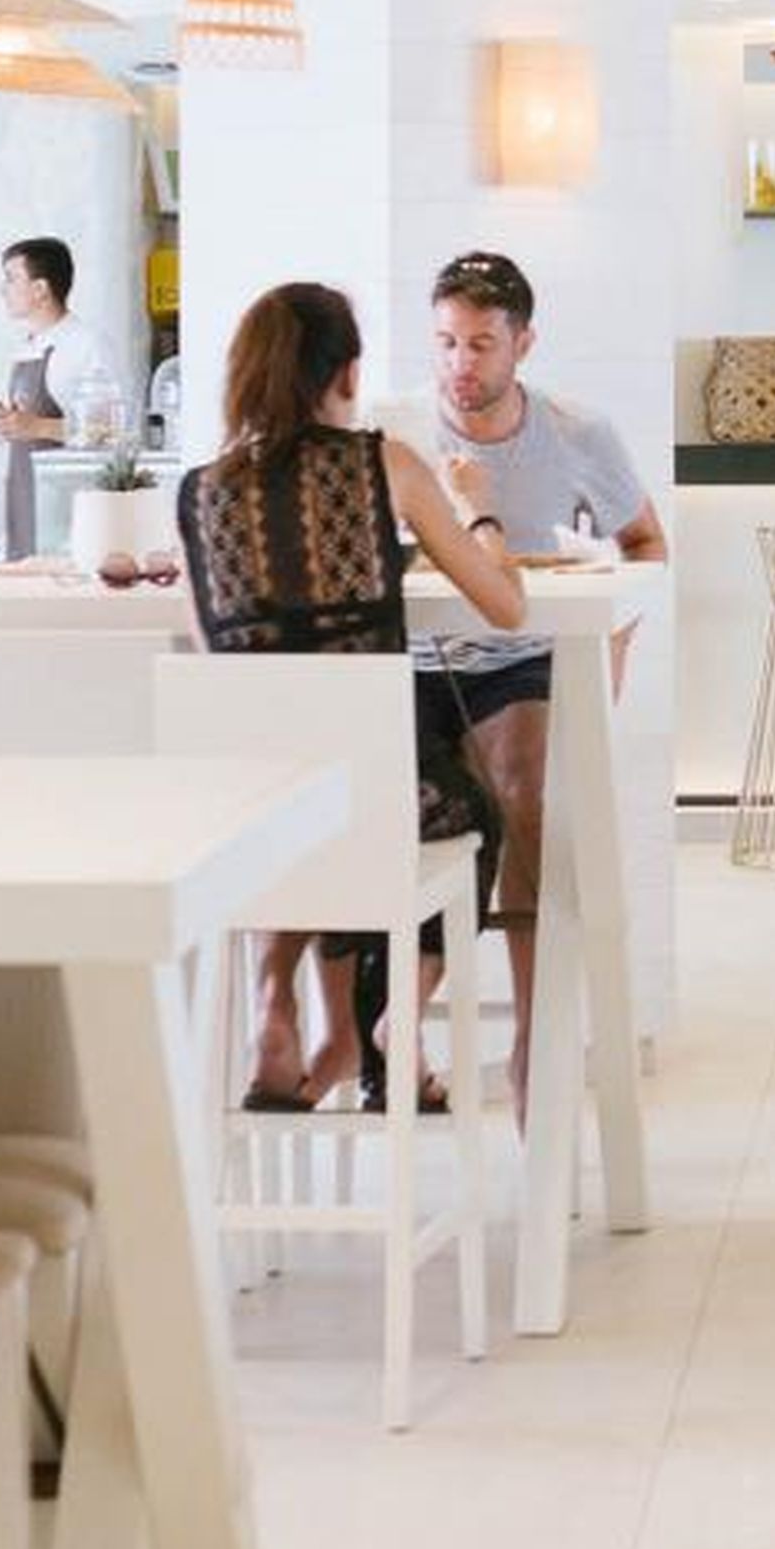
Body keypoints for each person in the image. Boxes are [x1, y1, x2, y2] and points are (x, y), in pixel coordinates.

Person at [179, 281, 531, 1112]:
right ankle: (398, 1015)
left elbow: (212, 658)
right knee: (475, 811)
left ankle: (275, 999)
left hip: (252, 809)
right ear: (346, 373)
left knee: (296, 815)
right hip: (380, 799)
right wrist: (480, 514)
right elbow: (507, 607)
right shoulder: (385, 464)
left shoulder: (198, 491)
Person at [418, 250, 666, 1113]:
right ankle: (389, 1031)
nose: (460, 364)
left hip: (520, 657)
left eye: (481, 344)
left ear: (523, 343)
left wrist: (613, 646)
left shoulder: (575, 432)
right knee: (395, 812)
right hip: (414, 659)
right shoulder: (398, 431)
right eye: (446, 342)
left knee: (526, 792)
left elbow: (646, 543)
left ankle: (535, 1037)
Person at [0, 235, 129, 560]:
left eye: (11, 279)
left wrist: (36, 427)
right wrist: (7, 420)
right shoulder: (27, 346)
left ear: (40, 289)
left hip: (71, 510)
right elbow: (28, 421)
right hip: (25, 496)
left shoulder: (88, 344)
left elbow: (113, 434)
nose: (2, 290)